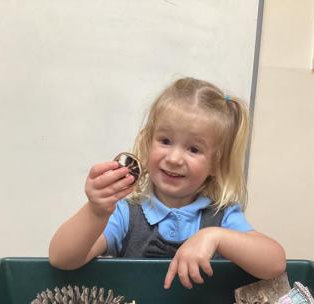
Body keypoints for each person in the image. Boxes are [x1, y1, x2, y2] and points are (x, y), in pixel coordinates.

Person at [49, 77, 286, 289]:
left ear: (216, 163)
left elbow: (275, 263)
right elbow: (62, 259)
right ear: (147, 141)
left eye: (194, 149)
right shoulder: (125, 213)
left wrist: (215, 237)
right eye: (165, 140)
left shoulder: (222, 218)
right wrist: (95, 210)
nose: (174, 159)